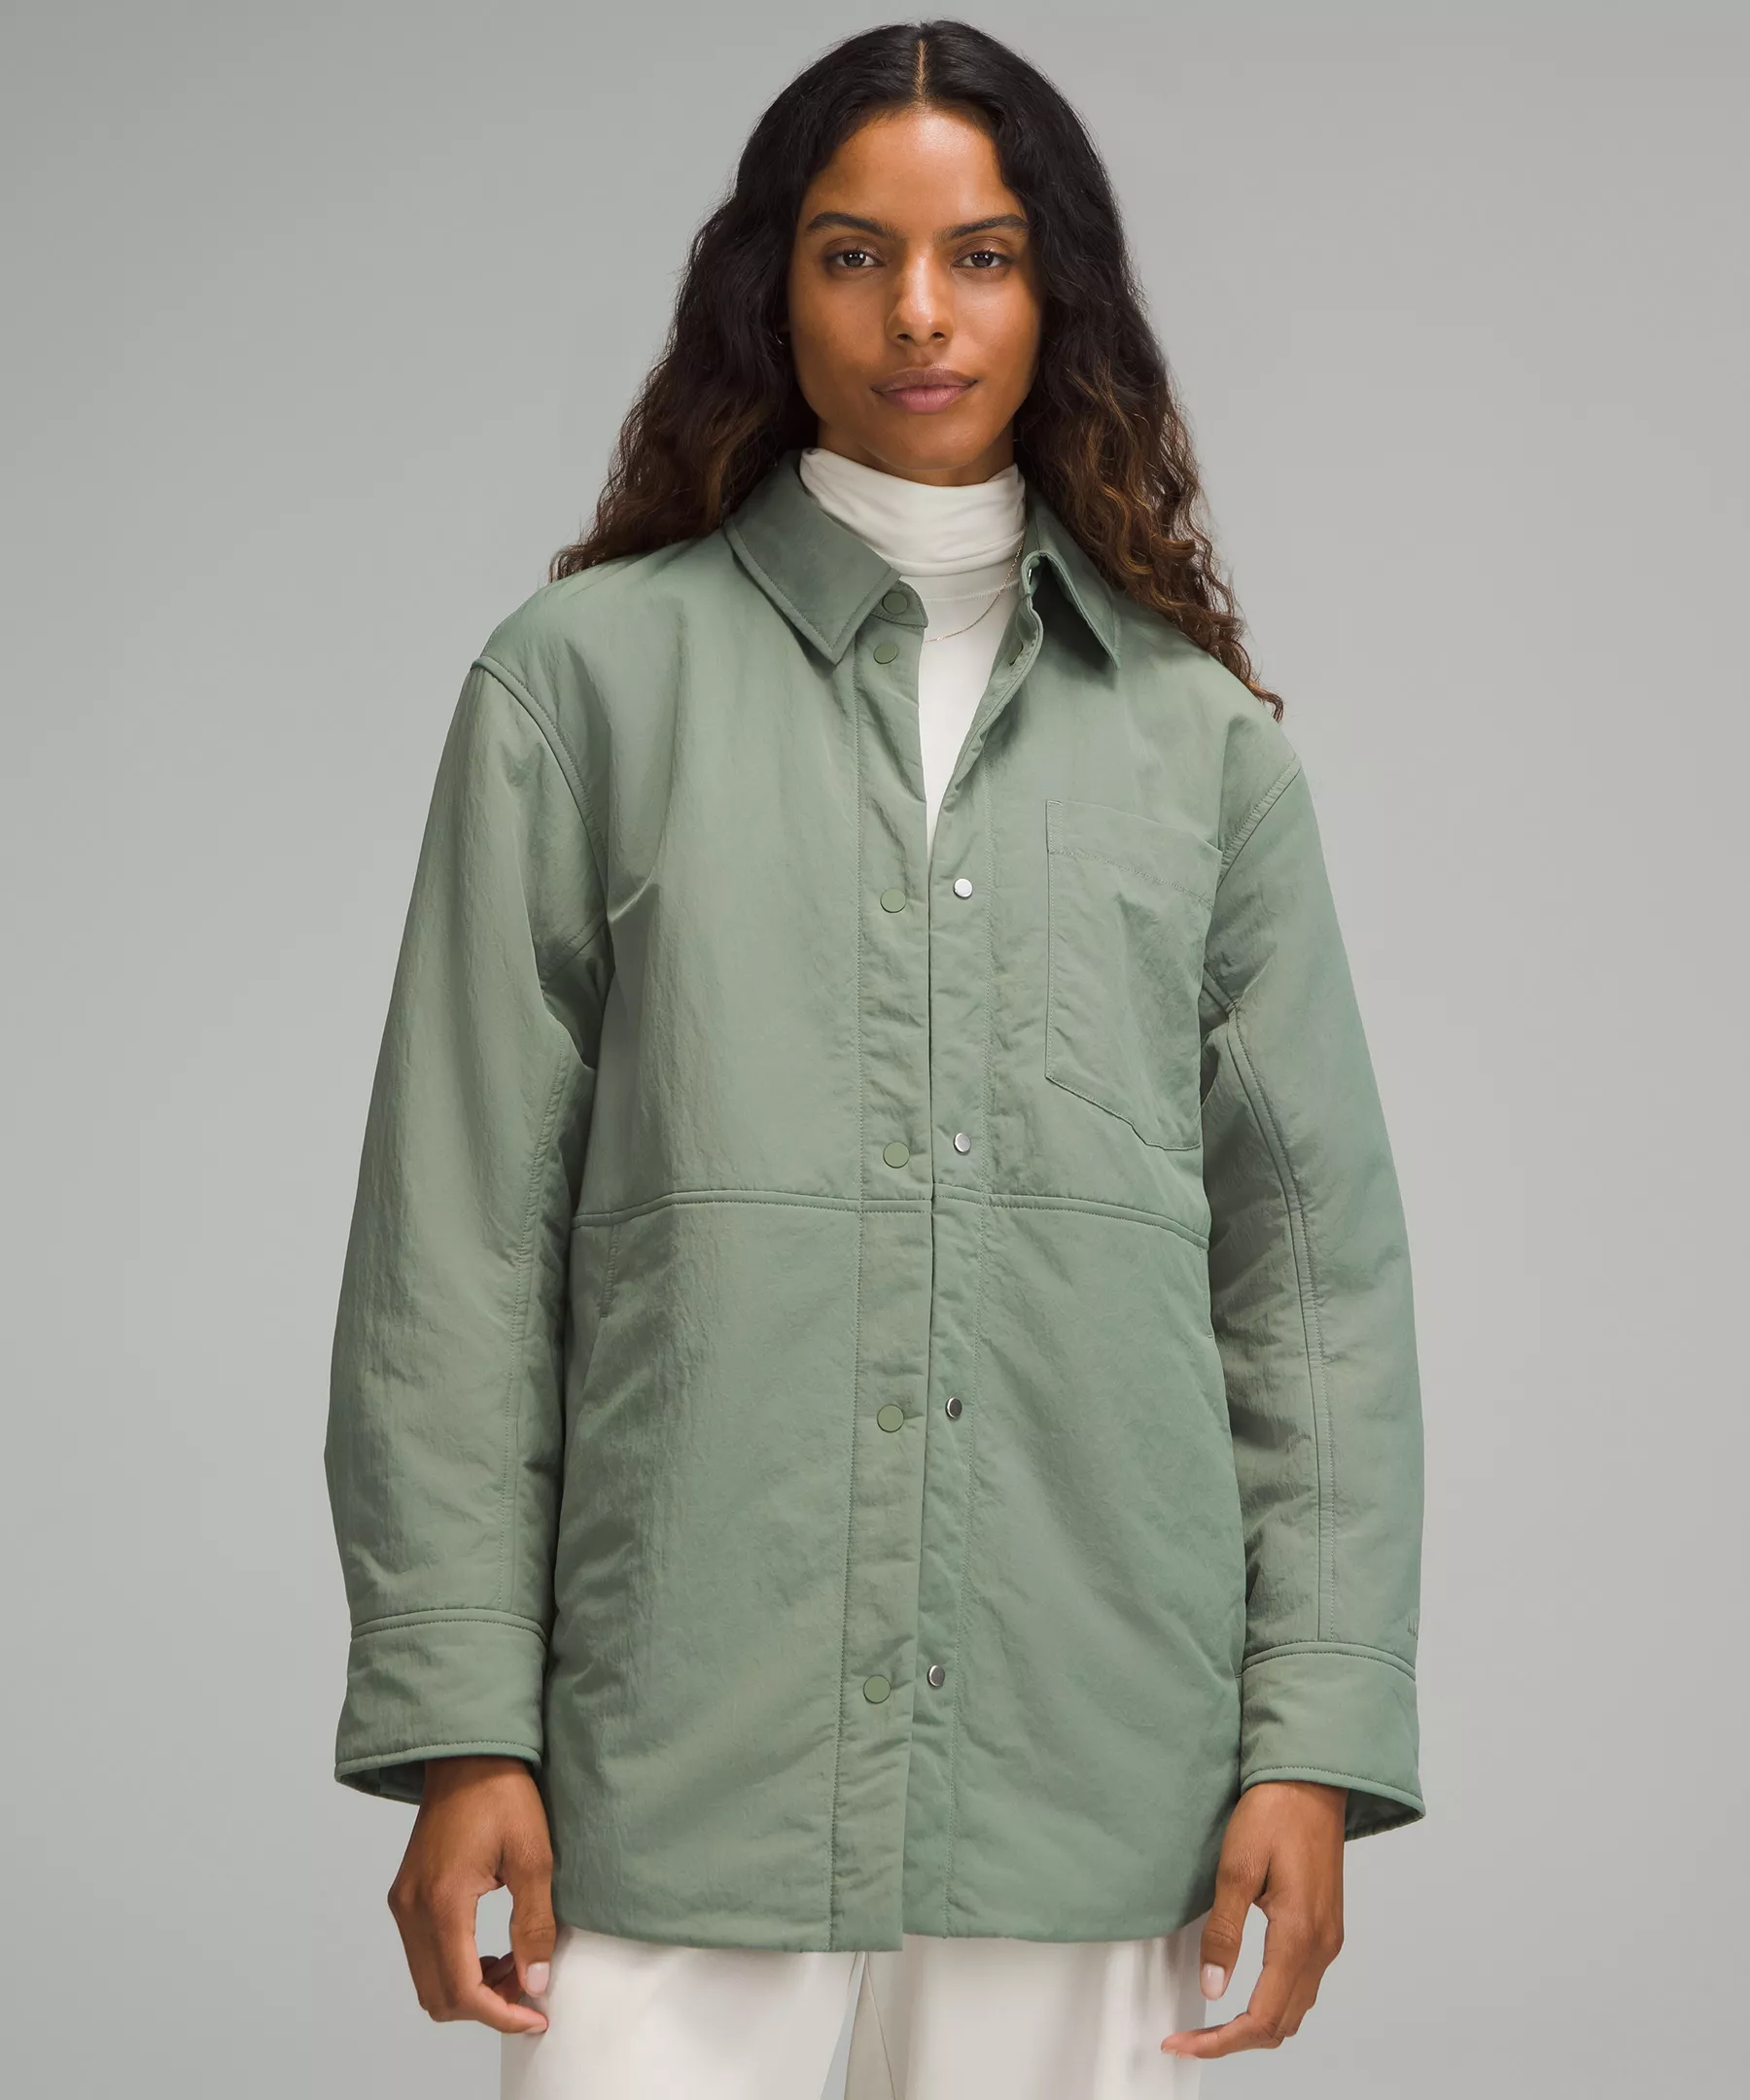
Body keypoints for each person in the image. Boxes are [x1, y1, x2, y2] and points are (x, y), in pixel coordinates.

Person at [322, 19, 1426, 2098]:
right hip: (679, 1748)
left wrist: (1313, 1736)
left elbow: (1311, 1286)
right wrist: (465, 1724)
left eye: (981, 255)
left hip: (1093, 1755)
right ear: (774, 287)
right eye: (856, 254)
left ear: (1054, 291)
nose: (921, 312)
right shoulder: (582, 690)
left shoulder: (1203, 750)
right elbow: (451, 1255)